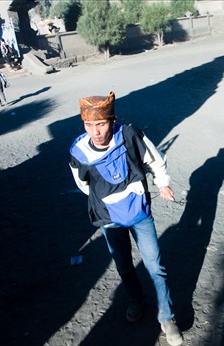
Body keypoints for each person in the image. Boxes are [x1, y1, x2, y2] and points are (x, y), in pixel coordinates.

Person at [69, 91, 184, 346]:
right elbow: (82, 183)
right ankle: (136, 299)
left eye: (101, 124)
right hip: (109, 217)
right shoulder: (78, 151)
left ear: (112, 120)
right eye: (89, 125)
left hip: (139, 211)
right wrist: (106, 197)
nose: (96, 131)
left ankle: (167, 317)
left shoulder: (130, 135)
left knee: (156, 266)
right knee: (123, 265)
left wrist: (162, 183)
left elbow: (155, 159)